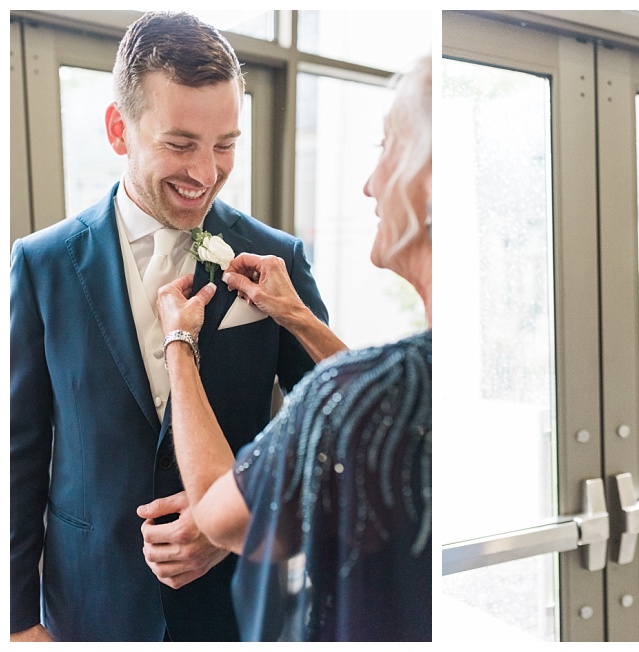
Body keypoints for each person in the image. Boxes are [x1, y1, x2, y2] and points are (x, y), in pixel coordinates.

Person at [9, 12, 327, 642]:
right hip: (89, 607)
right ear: (118, 129)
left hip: (236, 609)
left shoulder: (276, 258)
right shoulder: (41, 264)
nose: (206, 173)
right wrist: (17, 622)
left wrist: (239, 518)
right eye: (181, 144)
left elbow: (330, 431)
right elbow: (18, 454)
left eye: (225, 144)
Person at [152, 55, 431, 642]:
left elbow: (216, 510)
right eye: (181, 143)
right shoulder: (424, 380)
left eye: (386, 148)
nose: (370, 182)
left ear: (428, 181)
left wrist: (178, 339)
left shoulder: (367, 386)